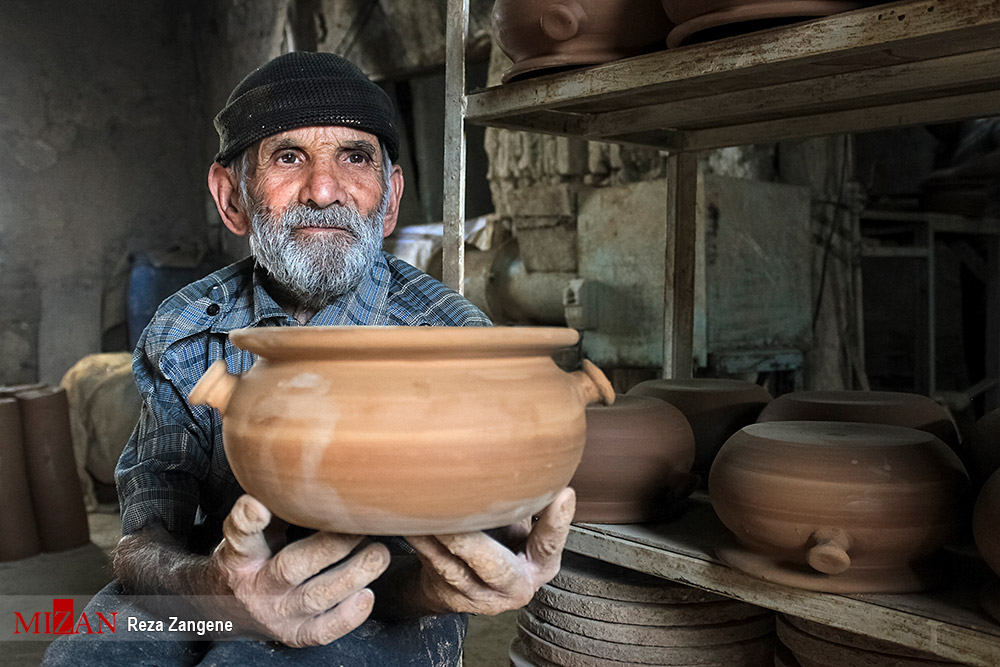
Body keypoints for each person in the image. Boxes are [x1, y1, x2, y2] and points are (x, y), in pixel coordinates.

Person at [43, 50, 576, 666]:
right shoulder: (187, 329)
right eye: (288, 157)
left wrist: (445, 582)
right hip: (210, 580)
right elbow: (144, 535)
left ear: (390, 196)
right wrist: (218, 591)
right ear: (232, 197)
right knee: (87, 656)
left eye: (355, 157)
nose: (324, 191)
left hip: (388, 599)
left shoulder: (449, 338)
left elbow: (474, 547)